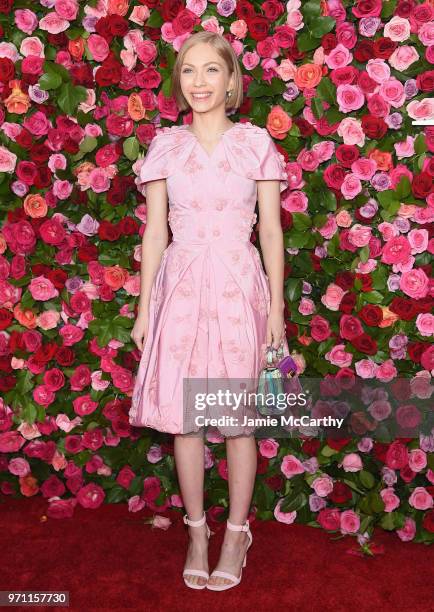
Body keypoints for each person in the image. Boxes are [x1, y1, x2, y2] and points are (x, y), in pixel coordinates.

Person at [129, 31, 290, 591]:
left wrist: (277, 312)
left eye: (211, 71)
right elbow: (154, 234)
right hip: (181, 289)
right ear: (179, 81)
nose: (199, 82)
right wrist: (145, 307)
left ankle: (237, 533)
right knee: (187, 418)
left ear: (231, 80)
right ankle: (197, 530)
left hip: (237, 287)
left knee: (237, 421)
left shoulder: (254, 146)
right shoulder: (166, 148)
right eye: (189, 71)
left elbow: (271, 232)